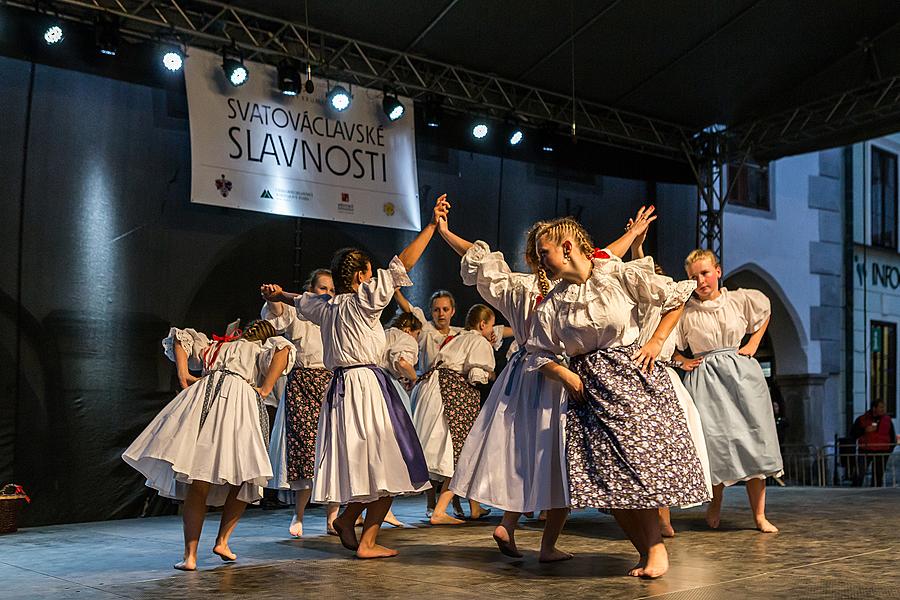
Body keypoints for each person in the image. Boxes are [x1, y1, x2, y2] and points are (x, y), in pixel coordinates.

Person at [260, 195, 448, 558]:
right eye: (368, 272)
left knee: (373, 468)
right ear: (362, 276)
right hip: (366, 388)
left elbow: (300, 300)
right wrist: (430, 227)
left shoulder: (326, 307)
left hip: (341, 390)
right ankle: (366, 541)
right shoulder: (363, 300)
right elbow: (402, 265)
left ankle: (348, 521)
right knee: (392, 467)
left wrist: (280, 291)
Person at [526, 217, 708, 579]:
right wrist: (566, 376)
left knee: (639, 468)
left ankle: (655, 549)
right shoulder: (555, 301)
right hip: (588, 391)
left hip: (631, 379)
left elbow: (676, 297)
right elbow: (536, 353)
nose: (539, 259)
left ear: (566, 247)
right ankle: (646, 551)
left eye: (543, 252)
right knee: (606, 481)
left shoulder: (614, 275)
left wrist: (656, 342)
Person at [123, 320, 294, 571]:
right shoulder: (255, 350)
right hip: (237, 401)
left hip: (208, 396)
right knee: (242, 476)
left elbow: (181, 338)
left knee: (199, 478)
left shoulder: (219, 346)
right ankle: (221, 541)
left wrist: (183, 372)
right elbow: (284, 348)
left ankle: (190, 555)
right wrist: (265, 388)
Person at [674, 249, 783, 533]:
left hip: (740, 375)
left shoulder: (737, 300)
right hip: (706, 377)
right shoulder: (685, 312)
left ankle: (759, 515)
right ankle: (715, 500)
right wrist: (682, 360)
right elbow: (669, 345)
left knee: (754, 440)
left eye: (705, 273)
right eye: (694, 276)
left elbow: (766, 310)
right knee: (714, 443)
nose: (701, 280)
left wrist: (754, 344)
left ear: (718, 271)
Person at [628, 229, 713, 538]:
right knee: (645, 451)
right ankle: (651, 516)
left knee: (668, 449)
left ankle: (664, 516)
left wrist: (682, 361)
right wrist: (637, 246)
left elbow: (673, 345)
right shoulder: (638, 306)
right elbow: (642, 271)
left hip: (664, 376)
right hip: (639, 374)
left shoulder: (673, 310)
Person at [261, 268, 341, 538]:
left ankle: (333, 518)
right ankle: (299, 514)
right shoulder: (299, 314)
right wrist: (274, 297)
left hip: (331, 383)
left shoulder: (336, 316)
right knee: (303, 450)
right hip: (303, 385)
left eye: (331, 289)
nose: (327, 294)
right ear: (310, 290)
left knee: (333, 451)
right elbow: (278, 316)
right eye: (322, 288)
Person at [412, 304, 497, 525]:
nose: (492, 331)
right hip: (453, 393)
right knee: (460, 452)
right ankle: (440, 510)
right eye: (491, 326)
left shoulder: (457, 337)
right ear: (482, 324)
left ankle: (472, 506)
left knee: (446, 449)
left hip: (433, 388)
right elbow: (477, 375)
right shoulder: (478, 341)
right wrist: (490, 375)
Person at [850, 399, 897, 487]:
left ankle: (876, 494)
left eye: (884, 407)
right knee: (859, 473)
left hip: (882, 451)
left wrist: (888, 450)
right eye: (881, 407)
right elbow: (853, 434)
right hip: (865, 450)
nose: (883, 409)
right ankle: (854, 491)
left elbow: (892, 437)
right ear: (874, 408)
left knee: (878, 476)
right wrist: (864, 430)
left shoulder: (887, 420)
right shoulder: (862, 419)